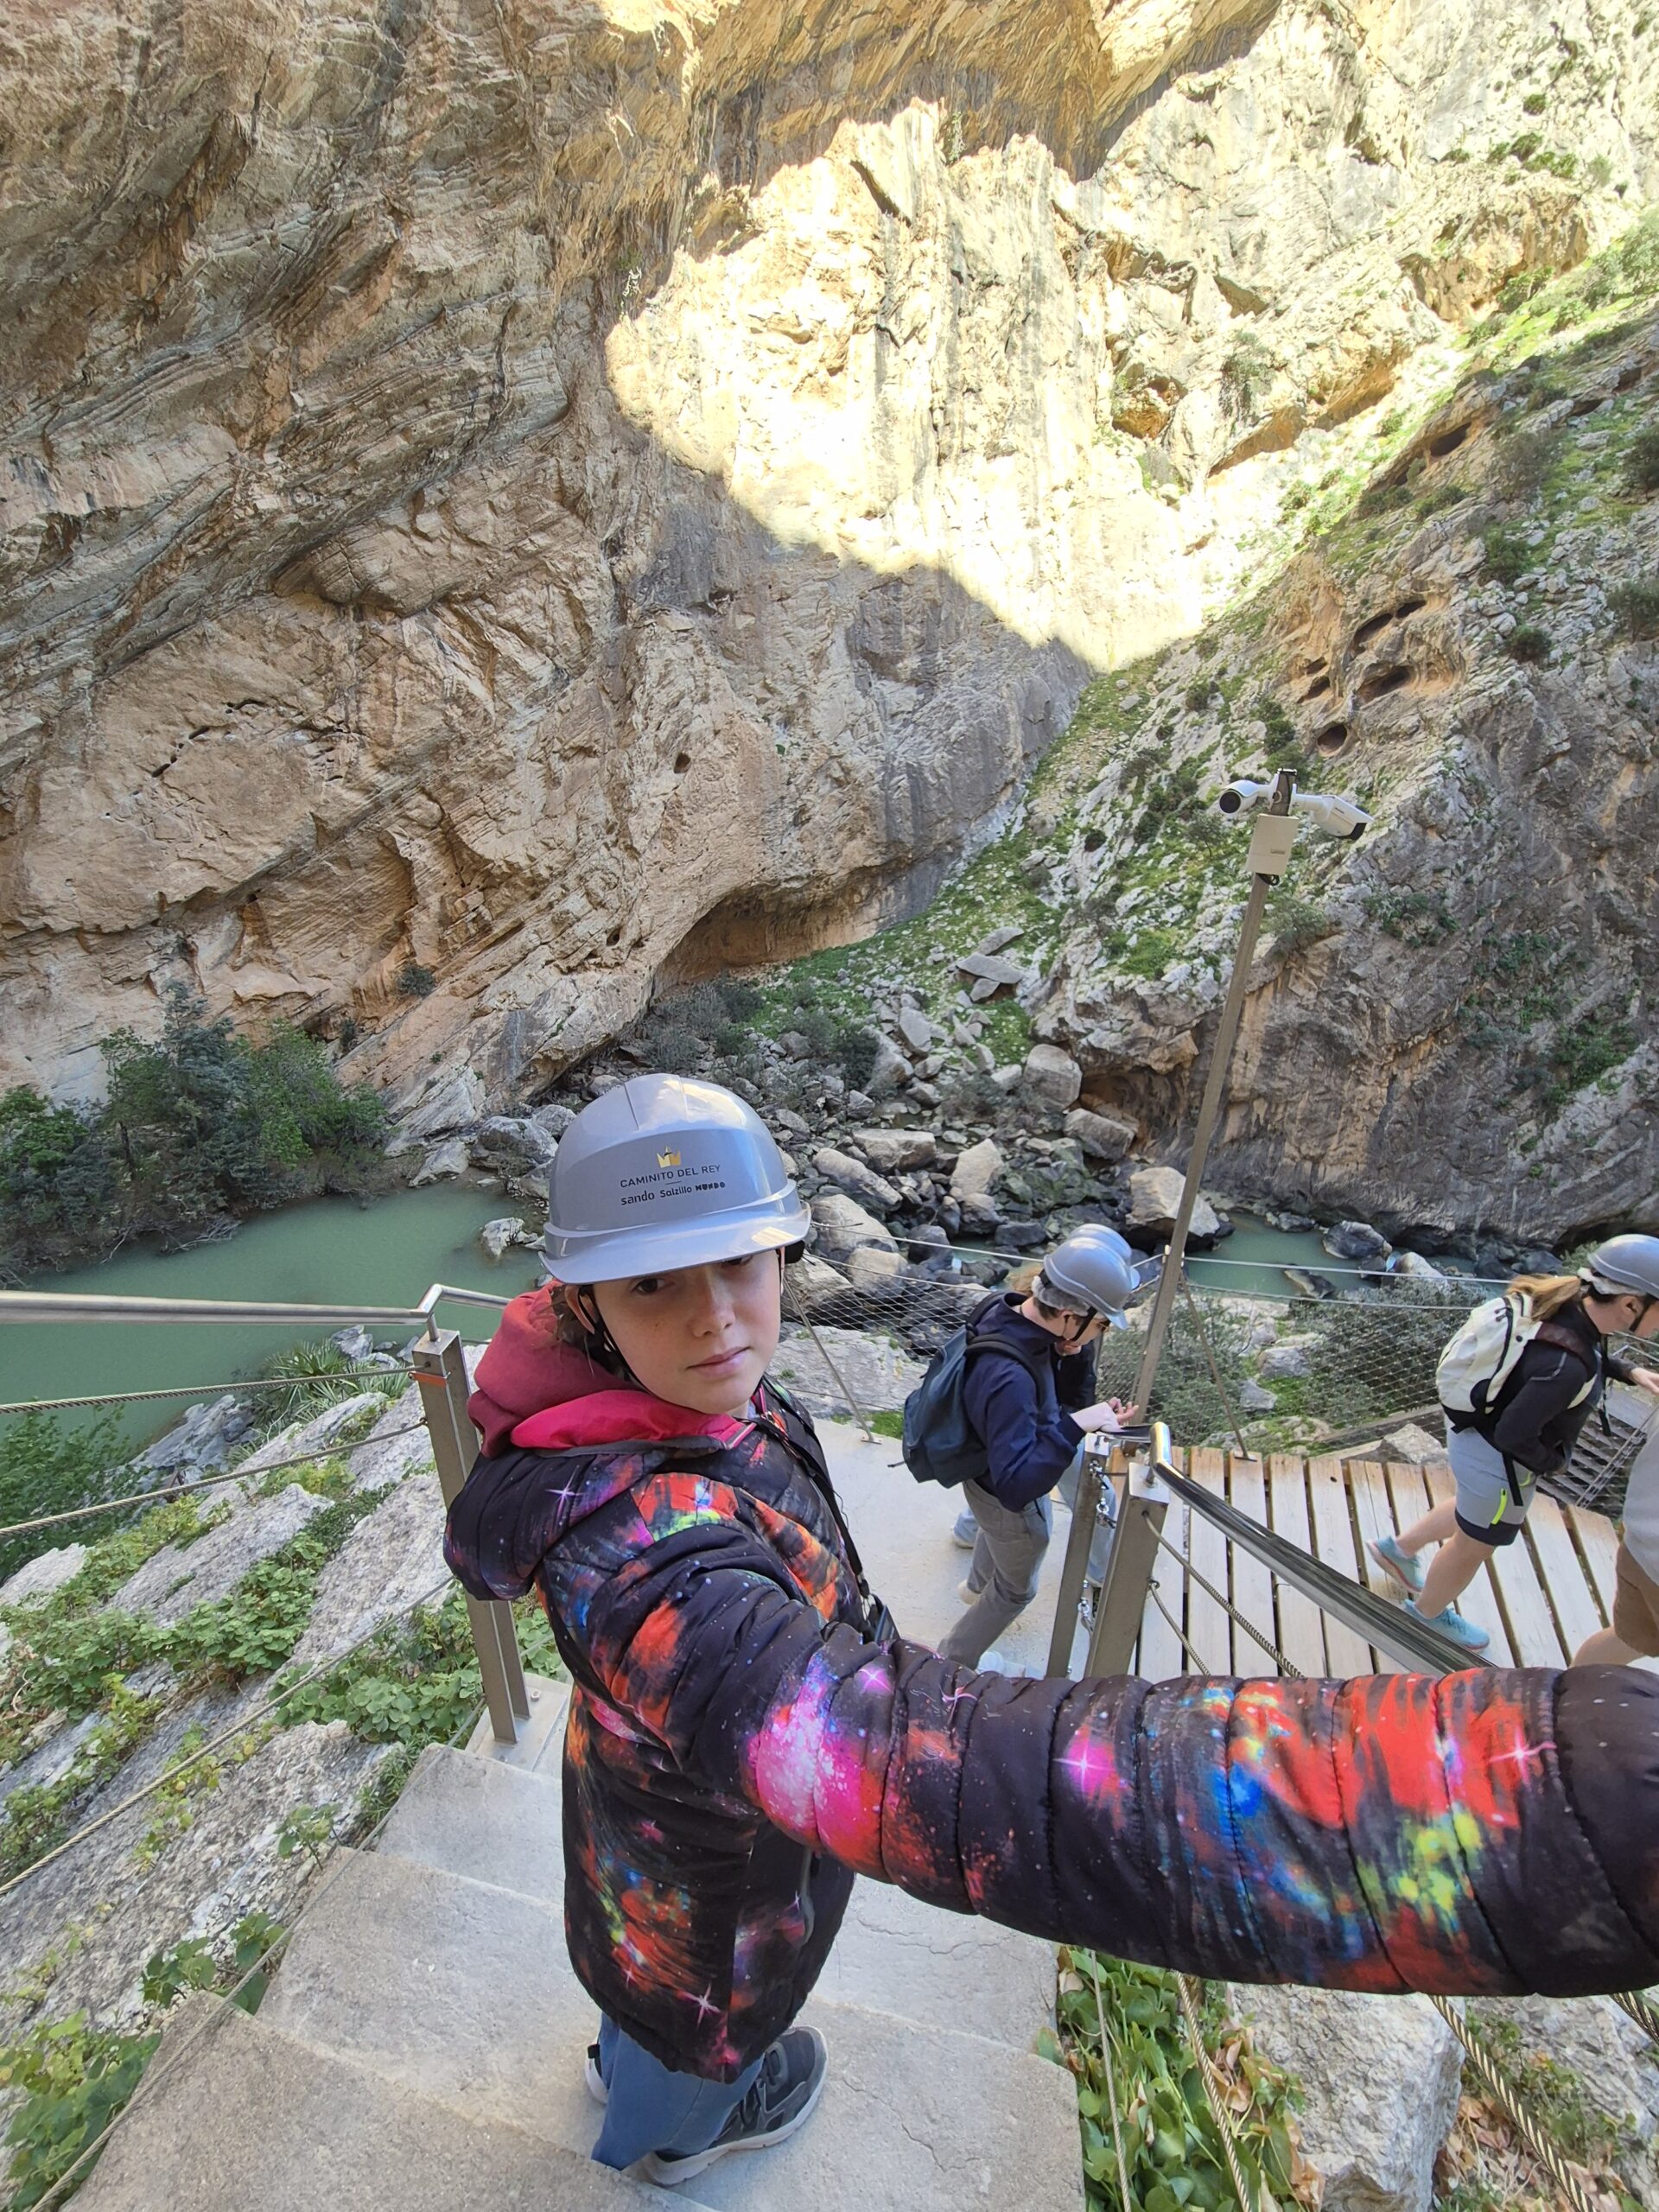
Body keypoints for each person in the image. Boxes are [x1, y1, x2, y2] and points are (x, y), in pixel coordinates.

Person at [446, 1077, 1659, 2191]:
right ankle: (666, 2140)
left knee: (643, 1989)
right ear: (590, 1305)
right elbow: (907, 1758)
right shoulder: (646, 1562)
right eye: (658, 1282)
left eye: (741, 1266)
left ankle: (642, 2063)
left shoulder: (662, 1404)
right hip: (708, 1894)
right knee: (685, 2029)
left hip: (658, 1839)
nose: (717, 1321)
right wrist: (1535, 1809)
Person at [1369, 1238, 1659, 1650]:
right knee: (1475, 1543)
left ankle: (1398, 1550)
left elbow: (1576, 1353)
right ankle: (1426, 1615)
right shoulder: (1567, 1368)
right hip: (1499, 1460)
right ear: (1631, 1304)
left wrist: (1629, 1371)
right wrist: (1552, 1463)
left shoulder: (1567, 1302)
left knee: (1473, 1508)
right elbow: (1514, 1433)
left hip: (1472, 1434)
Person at [938, 1231, 1141, 1673]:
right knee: (1015, 1590)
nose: (1101, 1333)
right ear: (1069, 1315)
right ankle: (953, 1662)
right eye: (1101, 1324)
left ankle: (975, 1587)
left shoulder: (1003, 1309)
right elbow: (1017, 1487)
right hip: (1005, 1495)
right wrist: (1076, 1424)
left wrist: (1065, 1353)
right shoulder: (1012, 1378)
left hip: (979, 1472)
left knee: (996, 1538)